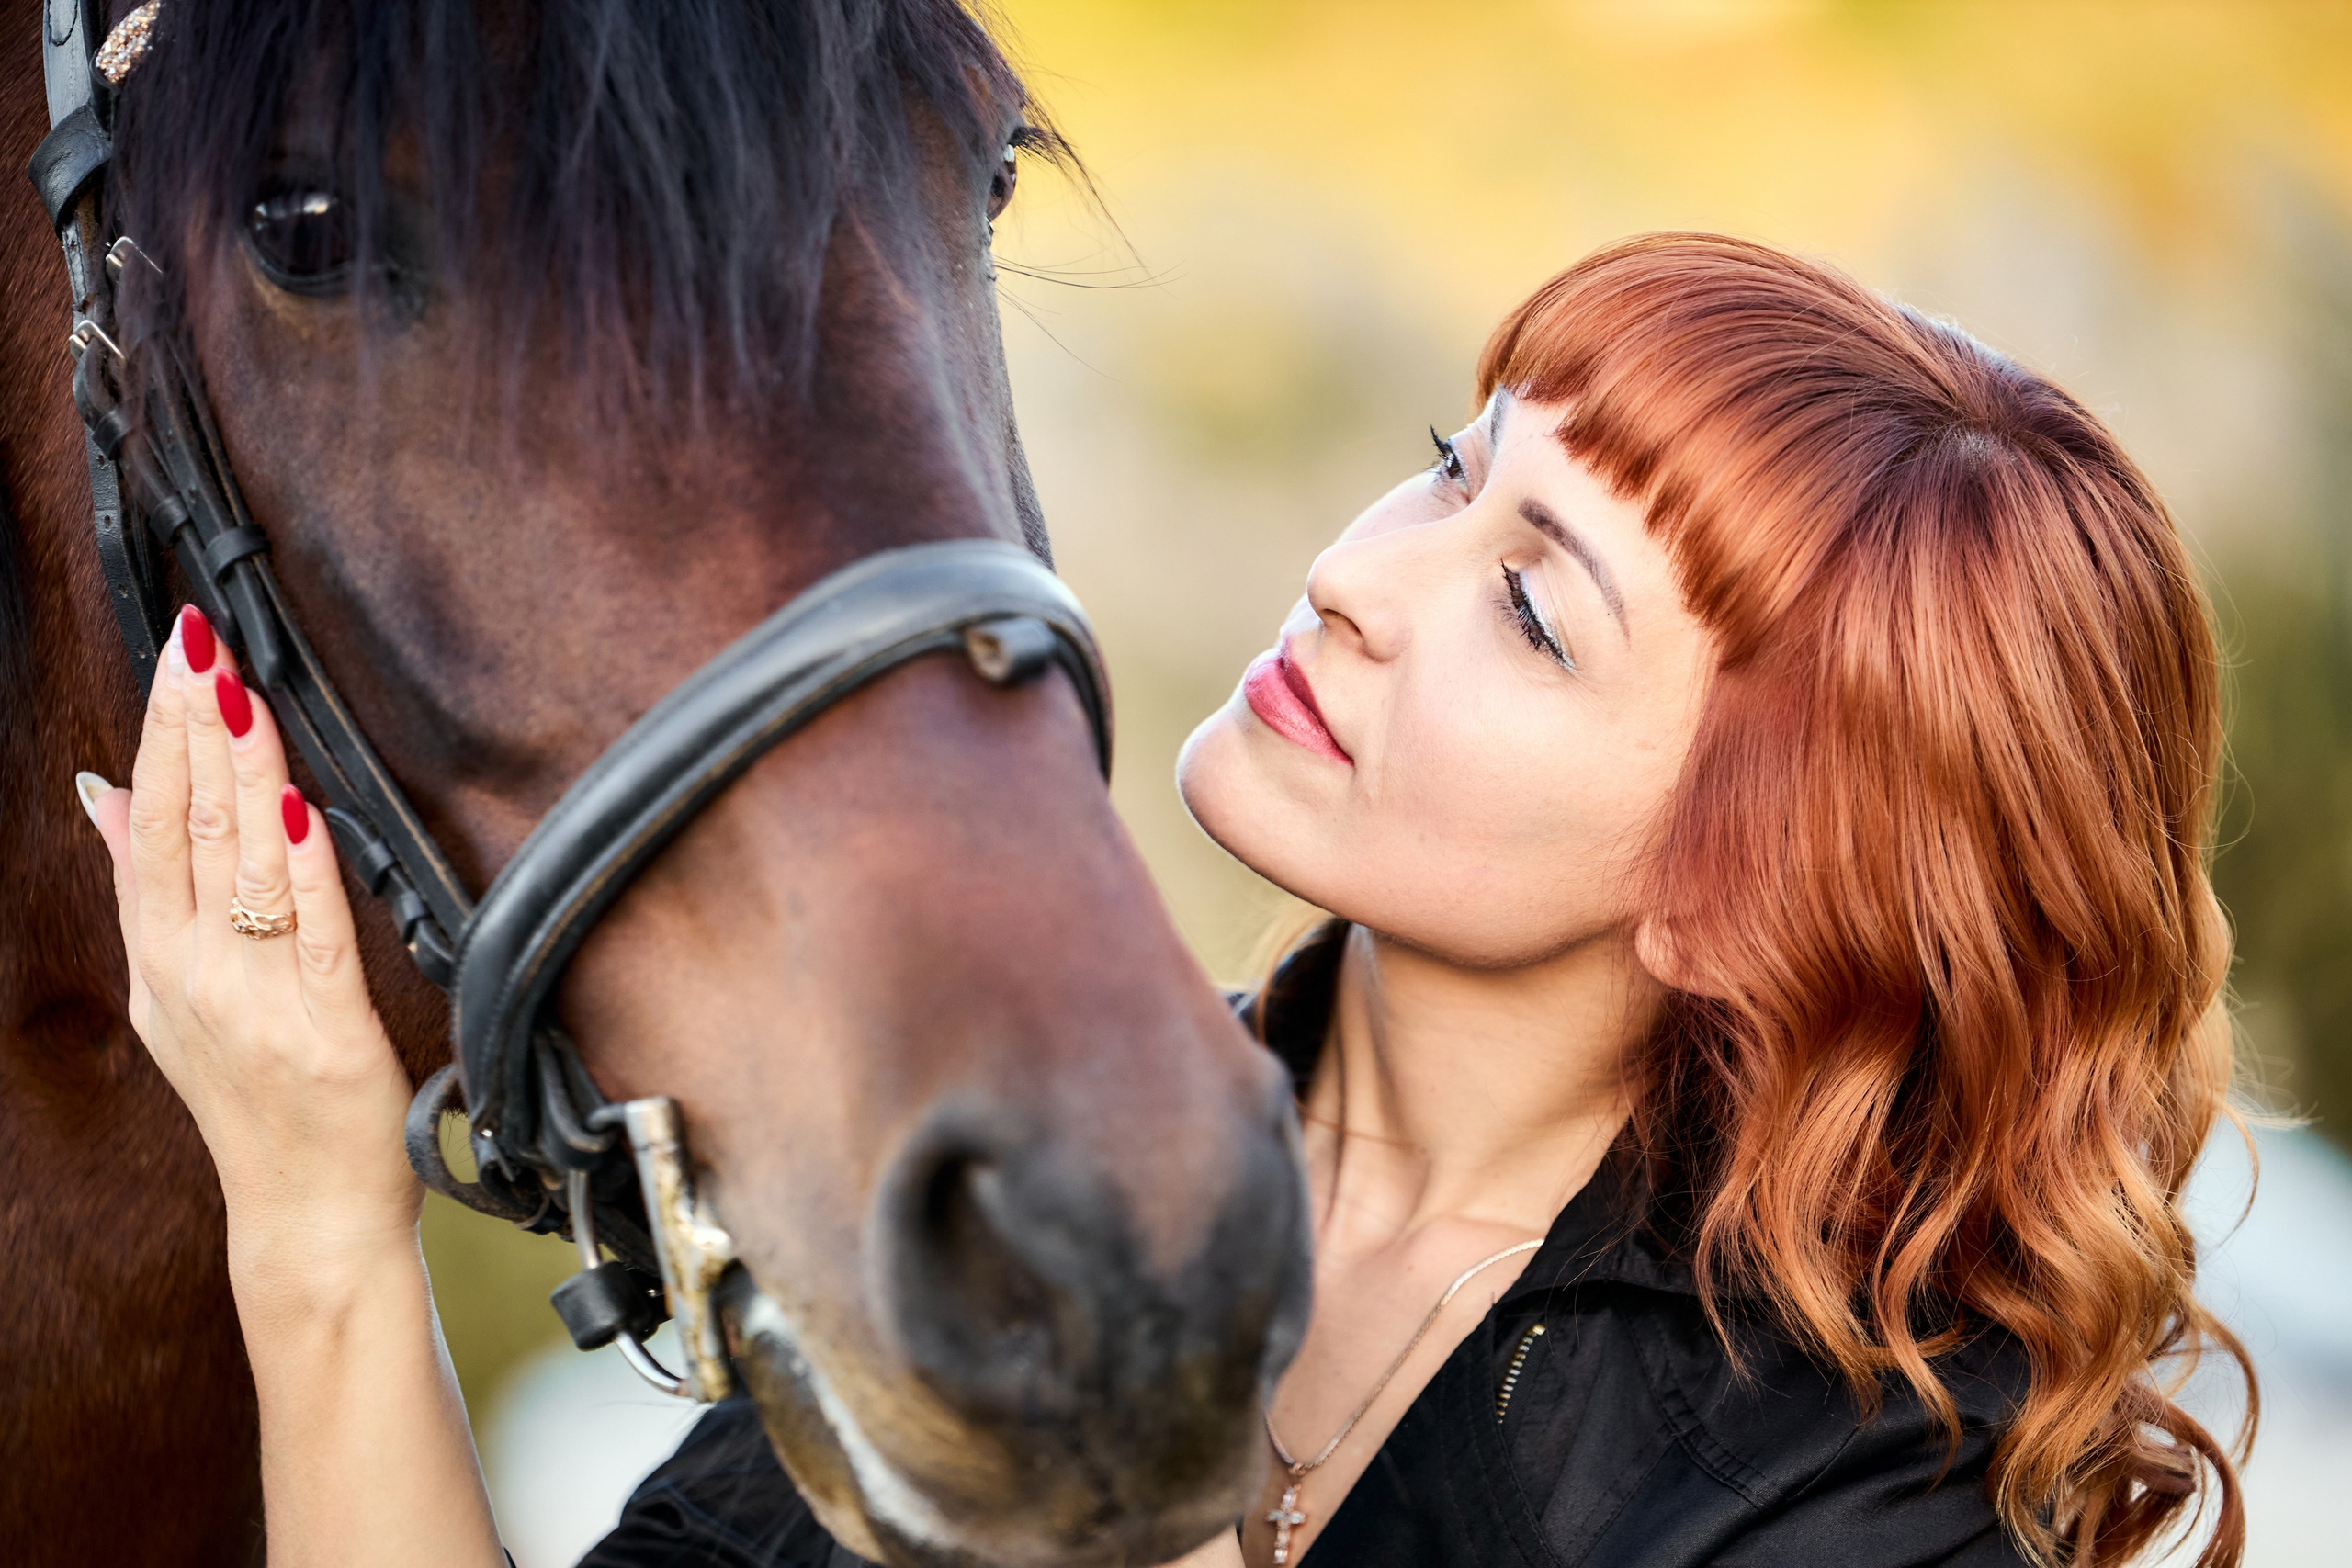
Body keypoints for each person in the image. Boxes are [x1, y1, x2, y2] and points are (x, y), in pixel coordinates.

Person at [80, 232, 2249, 1567]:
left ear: (1740, 887)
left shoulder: (1851, 1487)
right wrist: (311, 1204)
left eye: (1527, 609)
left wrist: (1141, 1445)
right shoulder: (1061, 1168)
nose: (1350, 576)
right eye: (1443, 461)